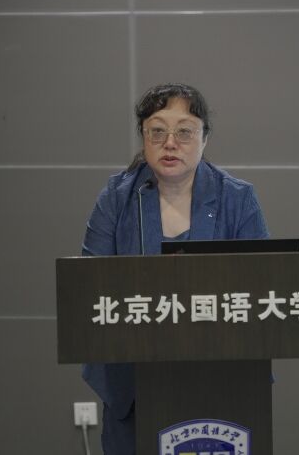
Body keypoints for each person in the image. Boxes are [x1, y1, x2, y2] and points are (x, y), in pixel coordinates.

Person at [80, 83, 269, 455]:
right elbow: (88, 289)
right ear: (143, 136)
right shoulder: (116, 198)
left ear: (204, 139)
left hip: (221, 381)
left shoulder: (237, 198)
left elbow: (263, 287)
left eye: (184, 132)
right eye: (157, 131)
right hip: (133, 385)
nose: (170, 143)